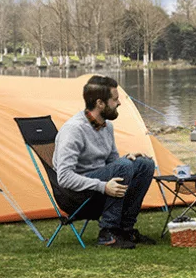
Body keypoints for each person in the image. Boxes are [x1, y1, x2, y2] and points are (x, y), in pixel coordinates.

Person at [53, 75, 157, 249]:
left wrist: (126, 158)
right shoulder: (74, 130)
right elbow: (64, 178)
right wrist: (103, 186)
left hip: (99, 187)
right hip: (75, 195)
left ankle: (125, 229)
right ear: (100, 103)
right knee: (124, 166)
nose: (119, 103)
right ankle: (108, 231)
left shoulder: (106, 126)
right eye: (115, 99)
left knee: (144, 164)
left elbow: (113, 164)